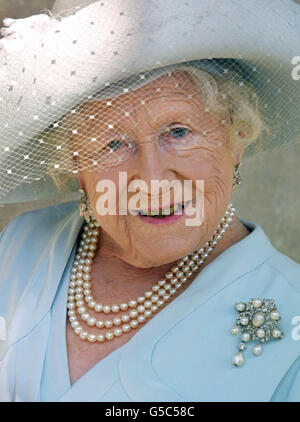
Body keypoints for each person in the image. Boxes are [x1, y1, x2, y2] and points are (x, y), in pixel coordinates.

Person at [0, 0, 299, 402]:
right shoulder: (20, 245)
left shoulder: (290, 316)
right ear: (75, 164)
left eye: (178, 132)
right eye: (112, 143)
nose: (152, 179)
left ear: (237, 136)